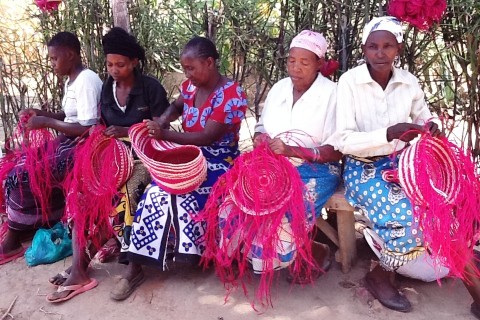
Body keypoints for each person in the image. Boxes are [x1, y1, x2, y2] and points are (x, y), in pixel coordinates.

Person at [334, 16, 480, 316]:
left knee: (446, 201)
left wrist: (433, 127)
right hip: (363, 167)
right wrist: (387, 134)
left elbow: (425, 116)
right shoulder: (349, 82)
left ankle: (469, 282)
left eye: (387, 46)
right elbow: (343, 141)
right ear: (364, 48)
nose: (380, 52)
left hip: (406, 163)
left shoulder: (408, 81)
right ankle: (380, 274)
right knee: (405, 211)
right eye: (373, 46)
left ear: (397, 48)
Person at [109, 36, 248, 301]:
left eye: (191, 68)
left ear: (209, 62)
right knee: (154, 193)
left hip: (220, 162)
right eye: (184, 68)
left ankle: (199, 254)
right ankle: (135, 266)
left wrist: (163, 135)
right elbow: (175, 107)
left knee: (181, 192)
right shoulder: (190, 88)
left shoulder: (232, 94)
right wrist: (159, 121)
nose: (187, 74)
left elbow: (207, 137)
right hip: (188, 156)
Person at [46, 27, 169, 302]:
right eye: (110, 64)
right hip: (114, 154)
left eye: (121, 64)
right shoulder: (106, 88)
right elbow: (100, 126)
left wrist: (127, 132)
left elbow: (162, 129)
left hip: (146, 156)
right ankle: (80, 265)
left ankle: (133, 266)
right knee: (82, 188)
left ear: (134, 62)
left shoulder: (150, 88)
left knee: (130, 189)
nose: (114, 70)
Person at [246, 30, 342, 281]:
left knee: (285, 205)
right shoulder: (279, 88)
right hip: (274, 163)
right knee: (241, 196)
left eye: (304, 62)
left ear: (319, 64)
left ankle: (314, 252)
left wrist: (293, 151)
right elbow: (262, 125)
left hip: (318, 168)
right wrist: (260, 137)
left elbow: (336, 150)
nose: (296, 68)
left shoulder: (333, 94)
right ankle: (270, 255)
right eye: (291, 60)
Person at [0, 32, 102, 265]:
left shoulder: (87, 80)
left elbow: (89, 127)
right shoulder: (72, 80)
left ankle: (15, 238)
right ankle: (33, 222)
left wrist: (46, 123)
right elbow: (66, 117)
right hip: (69, 142)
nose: (52, 64)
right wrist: (40, 114)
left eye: (54, 59)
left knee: (22, 175)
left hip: (84, 148)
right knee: (18, 164)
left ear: (70, 54)